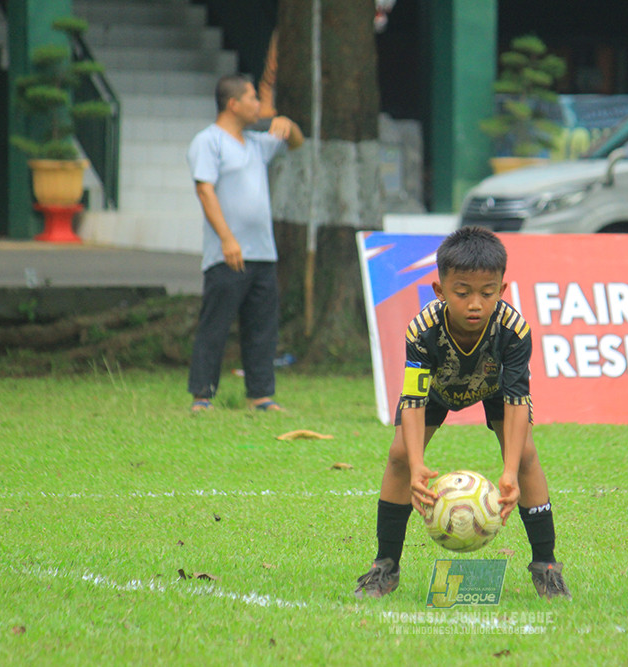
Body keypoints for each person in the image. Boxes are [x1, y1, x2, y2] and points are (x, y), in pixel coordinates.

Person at [354, 227, 571, 600]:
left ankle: (547, 567)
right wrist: (418, 464)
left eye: (487, 294)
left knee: (527, 457)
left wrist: (508, 471)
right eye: (462, 292)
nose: (475, 303)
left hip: (493, 387)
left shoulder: (514, 330)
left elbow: (518, 400)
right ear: (440, 291)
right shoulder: (422, 331)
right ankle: (384, 566)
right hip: (438, 388)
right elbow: (413, 400)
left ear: (502, 291)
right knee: (400, 455)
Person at [186, 74, 304, 412]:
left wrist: (288, 124)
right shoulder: (208, 142)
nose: (259, 105)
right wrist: (227, 239)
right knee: (216, 324)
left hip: (262, 252)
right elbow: (204, 190)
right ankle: (203, 395)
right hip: (228, 252)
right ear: (233, 104)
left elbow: (295, 142)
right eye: (253, 98)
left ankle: (261, 394)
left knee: (262, 327)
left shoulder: (255, 143)